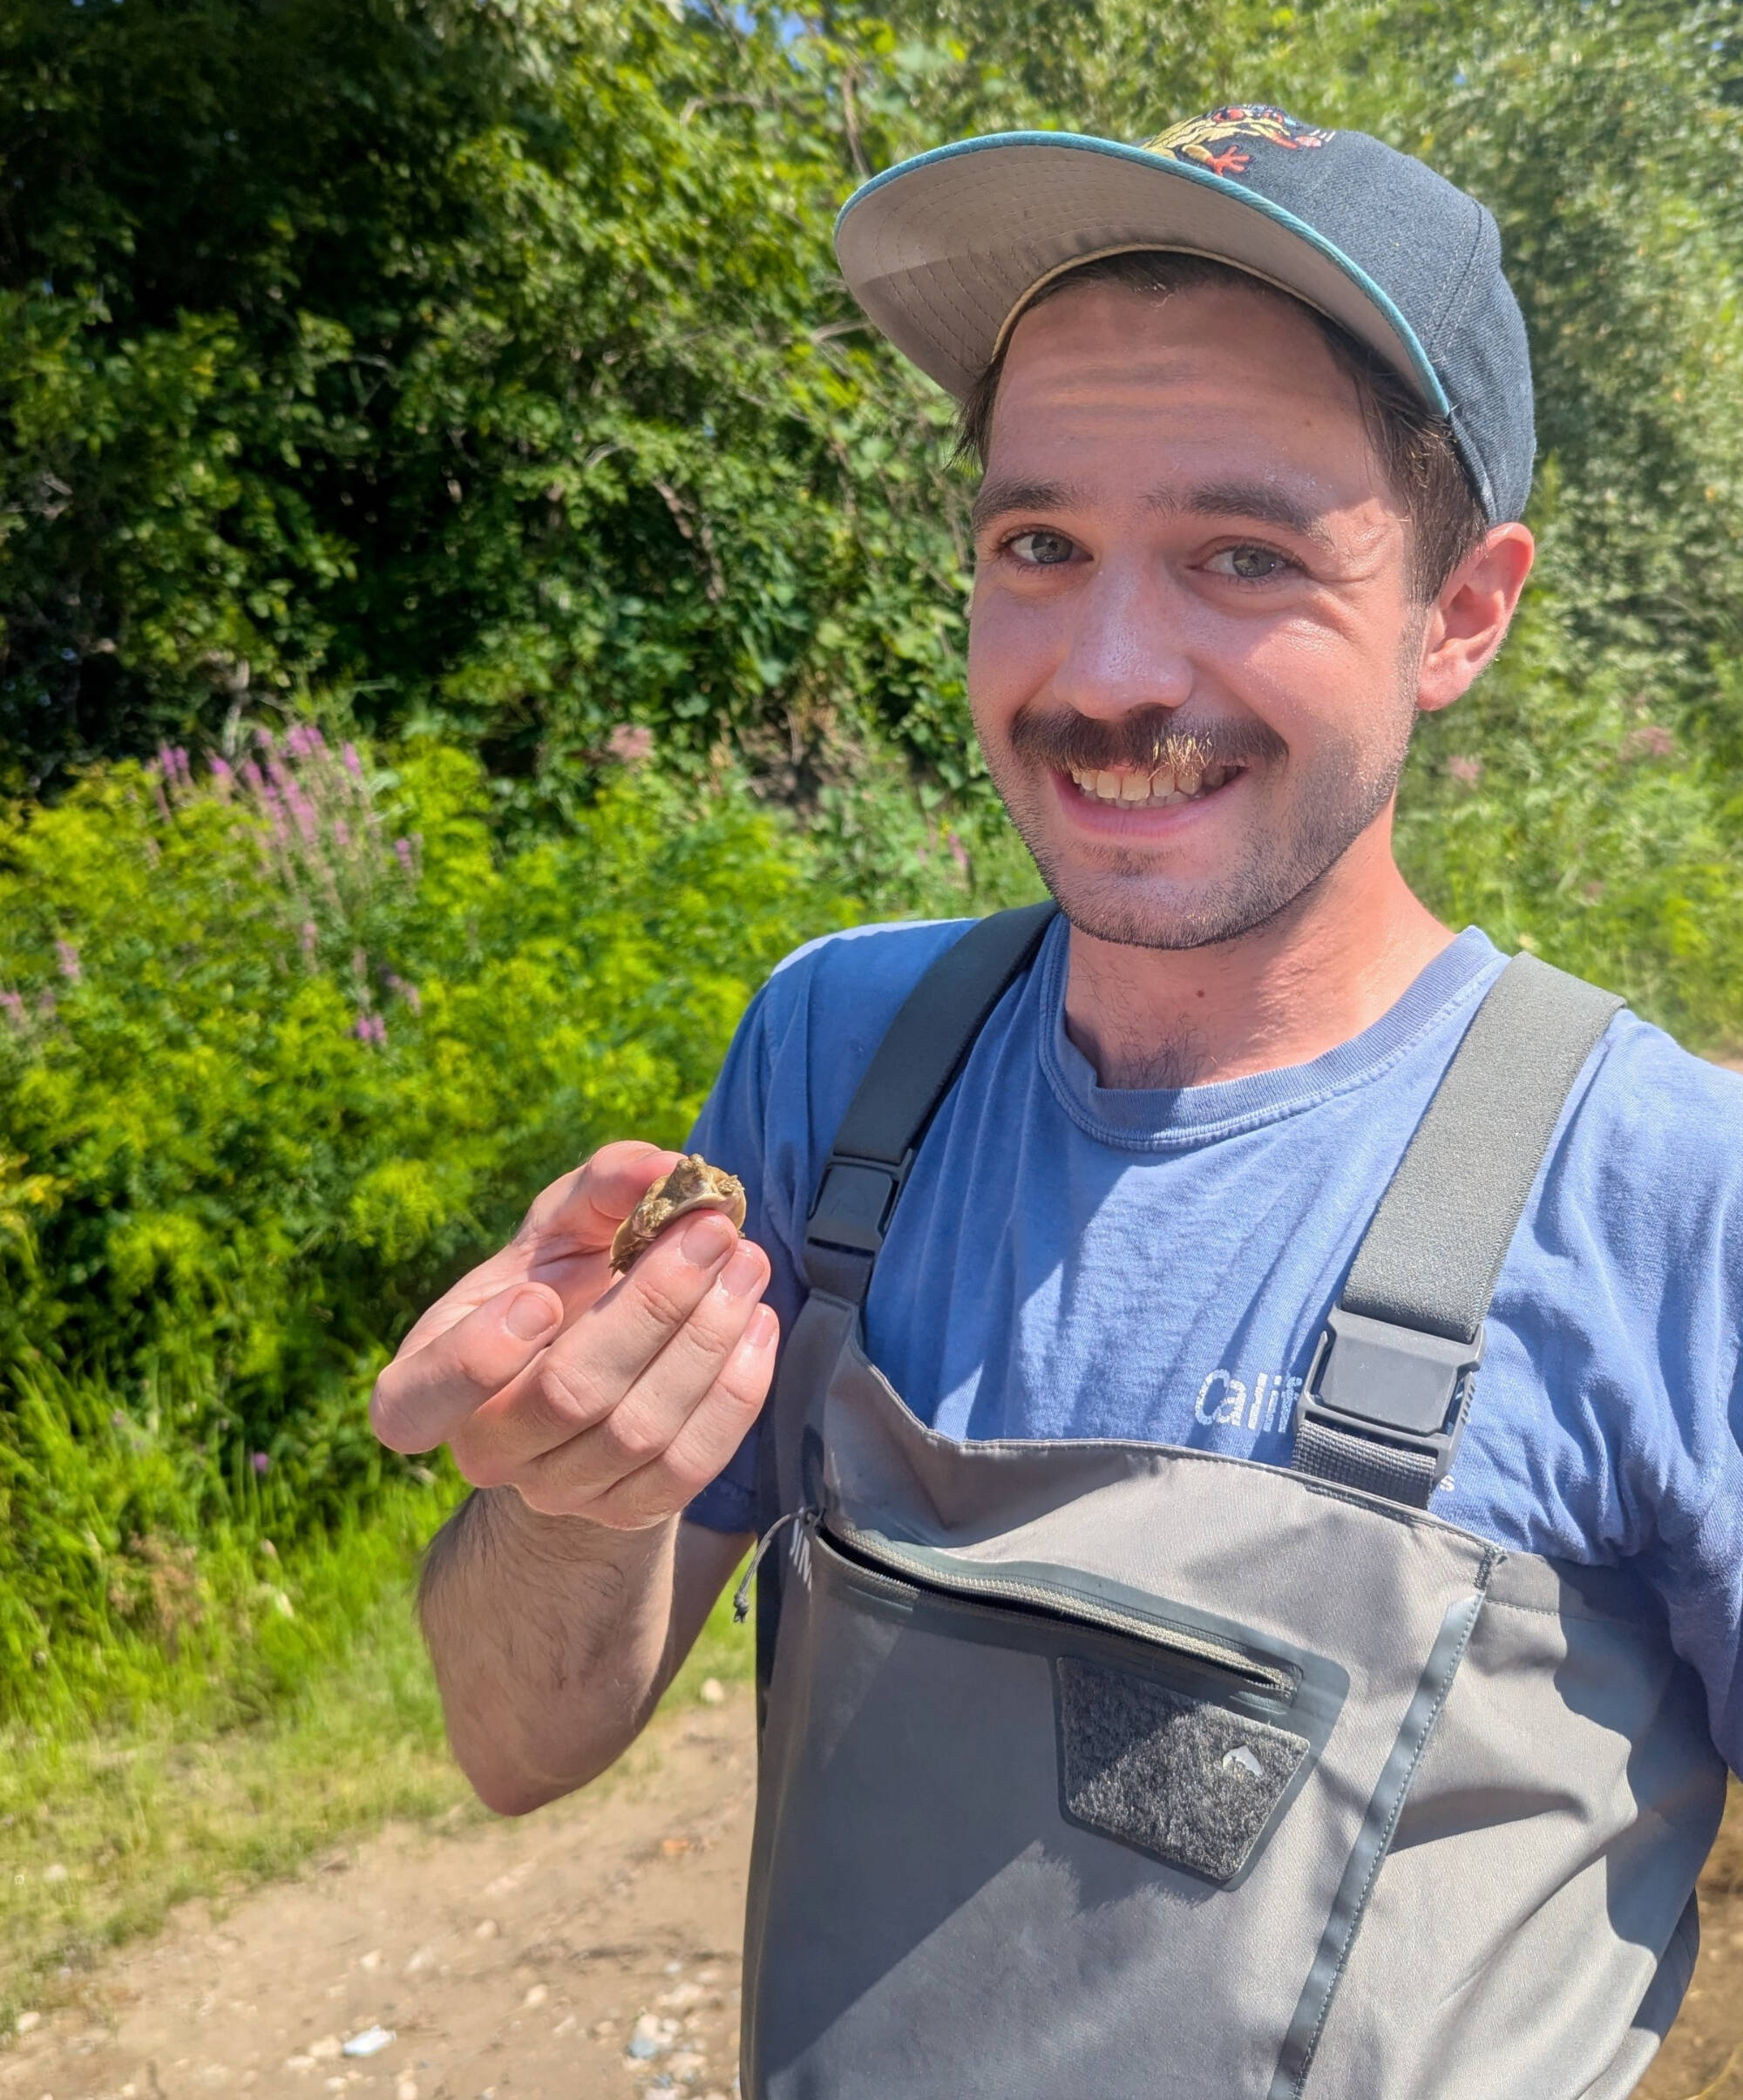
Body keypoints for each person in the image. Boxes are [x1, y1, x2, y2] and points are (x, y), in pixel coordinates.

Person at [370, 105, 1743, 2099]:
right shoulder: (838, 1059)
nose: (1106, 669)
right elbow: (518, 1743)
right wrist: (569, 1498)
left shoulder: (1669, 1200)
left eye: (1242, 553)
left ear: (1461, 612)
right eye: (1039, 544)